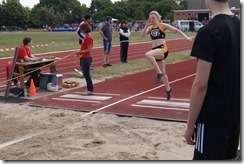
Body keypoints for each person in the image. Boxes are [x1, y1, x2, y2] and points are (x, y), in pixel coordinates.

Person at [184, 0, 240, 160]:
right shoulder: (239, 25)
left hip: (212, 119)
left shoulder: (209, 31)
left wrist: (190, 125)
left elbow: (201, 84)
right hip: (235, 117)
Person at [140, 11, 192, 100]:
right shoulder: (150, 28)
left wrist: (186, 37)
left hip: (163, 49)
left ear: (158, 18)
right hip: (155, 51)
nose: (152, 20)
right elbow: (142, 36)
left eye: (153, 18)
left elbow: (176, 30)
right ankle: (168, 89)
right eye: (150, 18)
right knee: (164, 73)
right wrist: (146, 26)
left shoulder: (162, 25)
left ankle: (158, 73)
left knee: (147, 55)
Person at [75, 23, 94, 96]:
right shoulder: (86, 37)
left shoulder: (88, 38)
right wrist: (79, 53)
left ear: (84, 29)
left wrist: (80, 52)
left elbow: (89, 49)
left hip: (87, 58)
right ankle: (90, 89)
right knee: (86, 74)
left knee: (87, 75)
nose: (80, 31)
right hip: (84, 57)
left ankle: (90, 90)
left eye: (81, 29)